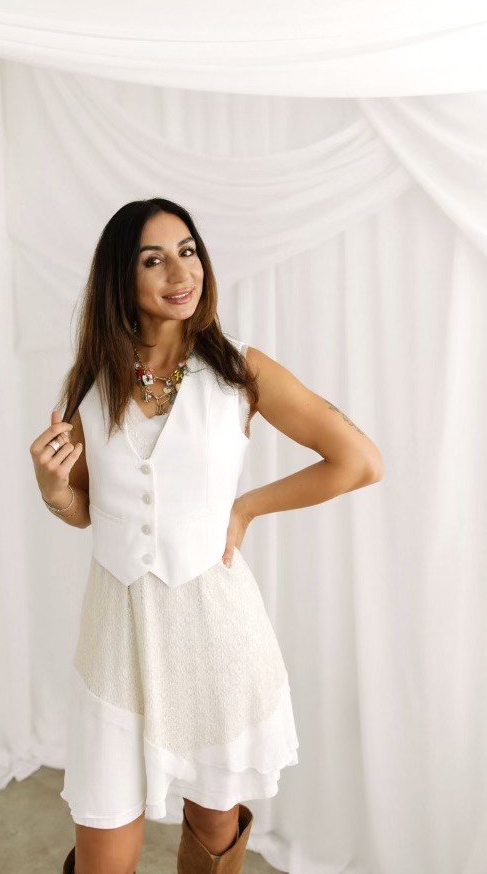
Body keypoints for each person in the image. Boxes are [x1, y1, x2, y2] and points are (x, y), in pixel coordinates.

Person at [29, 198, 383, 874]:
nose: (180, 271)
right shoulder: (93, 383)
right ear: (120, 276)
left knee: (214, 825)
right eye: (153, 259)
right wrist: (54, 491)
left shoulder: (240, 372)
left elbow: (359, 460)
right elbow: (88, 508)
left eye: (187, 251)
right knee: (103, 841)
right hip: (115, 641)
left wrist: (245, 509)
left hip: (212, 635)